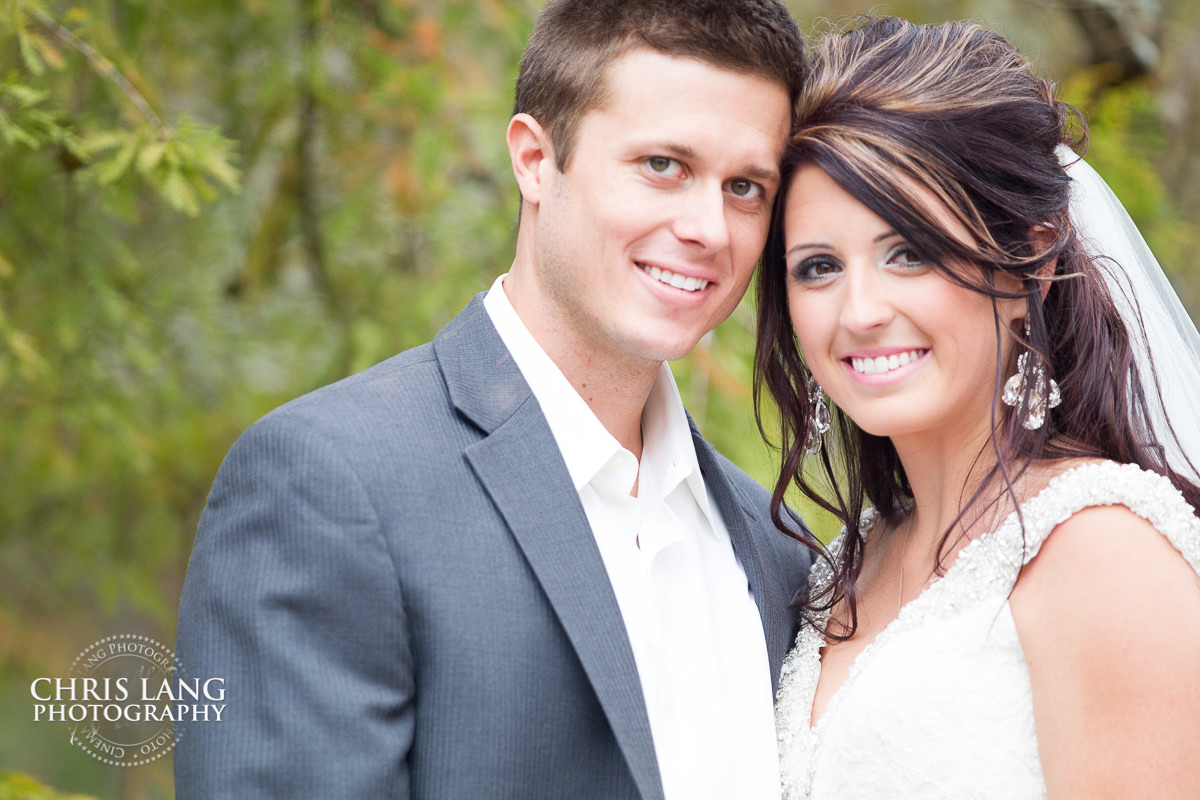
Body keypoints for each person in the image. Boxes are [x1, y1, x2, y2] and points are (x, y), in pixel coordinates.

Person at [174, 1, 811, 798]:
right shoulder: (329, 486)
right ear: (535, 160)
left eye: (746, 187)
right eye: (663, 166)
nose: (709, 228)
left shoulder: (779, 548)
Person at [755, 16, 1200, 800]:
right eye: (818, 267)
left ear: (1032, 252)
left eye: (910, 252)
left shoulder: (1103, 554)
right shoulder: (842, 568)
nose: (858, 311)